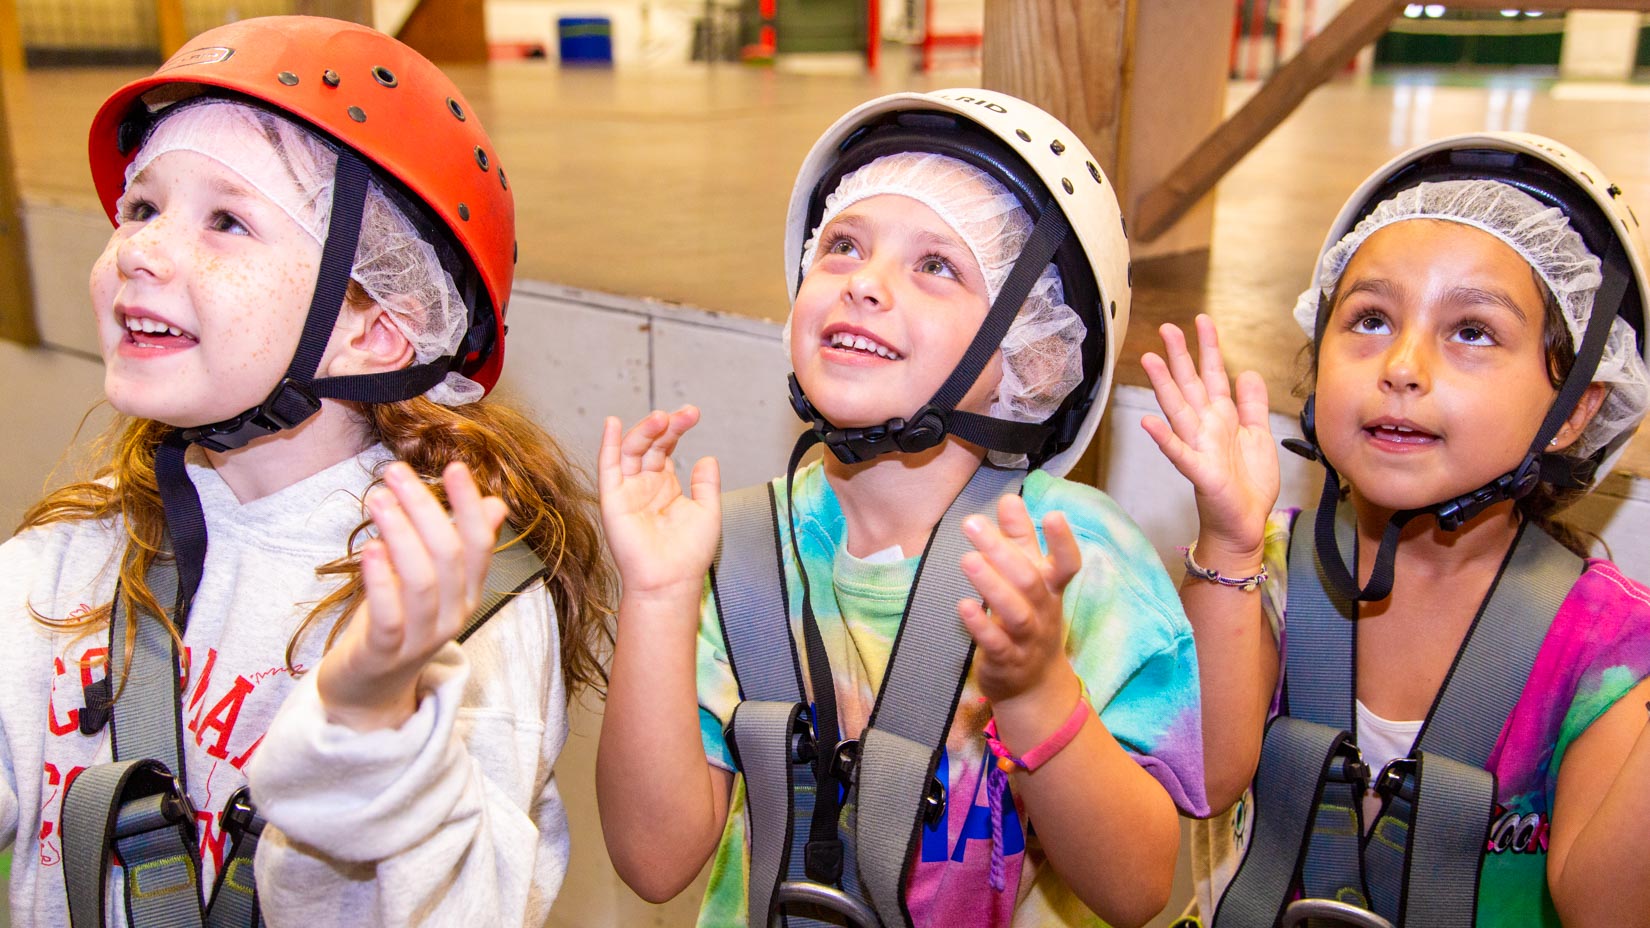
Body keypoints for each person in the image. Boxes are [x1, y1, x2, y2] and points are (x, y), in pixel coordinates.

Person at [0, 16, 612, 925]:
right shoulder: (64, 559)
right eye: (141, 205)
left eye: (226, 220)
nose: (139, 248)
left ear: (377, 326)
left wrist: (368, 719)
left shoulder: (453, 600)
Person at [597, 88, 1207, 928]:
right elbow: (653, 861)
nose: (865, 285)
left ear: (1031, 353)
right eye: (843, 246)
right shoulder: (736, 554)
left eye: (936, 266)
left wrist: (1035, 688)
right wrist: (658, 599)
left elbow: (1137, 888)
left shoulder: (1082, 561)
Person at [1143, 133, 1650, 927]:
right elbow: (1202, 781)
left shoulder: (1610, 649)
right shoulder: (1263, 567)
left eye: (1472, 331)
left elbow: (1606, 906)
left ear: (1576, 409)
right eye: (1371, 319)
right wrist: (1230, 543)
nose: (1404, 365)